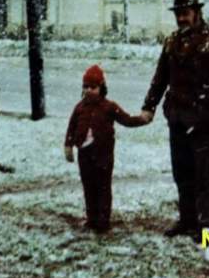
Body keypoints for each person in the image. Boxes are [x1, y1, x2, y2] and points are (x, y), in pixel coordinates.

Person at [141, 0, 209, 239]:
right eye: (178, 14)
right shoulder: (172, 42)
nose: (181, 18)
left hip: (205, 119)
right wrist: (149, 106)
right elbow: (160, 77)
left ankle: (205, 224)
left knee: (204, 175)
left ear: (196, 12)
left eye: (185, 13)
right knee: (182, 173)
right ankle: (186, 220)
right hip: (177, 118)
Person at [64, 64, 149, 233]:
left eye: (93, 87)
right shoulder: (79, 108)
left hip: (103, 155)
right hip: (84, 154)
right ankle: (92, 218)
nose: (89, 91)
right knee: (89, 187)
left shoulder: (109, 107)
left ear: (101, 88)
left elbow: (126, 120)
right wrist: (68, 145)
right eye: (86, 87)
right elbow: (71, 127)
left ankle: (103, 220)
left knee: (103, 187)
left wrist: (142, 119)